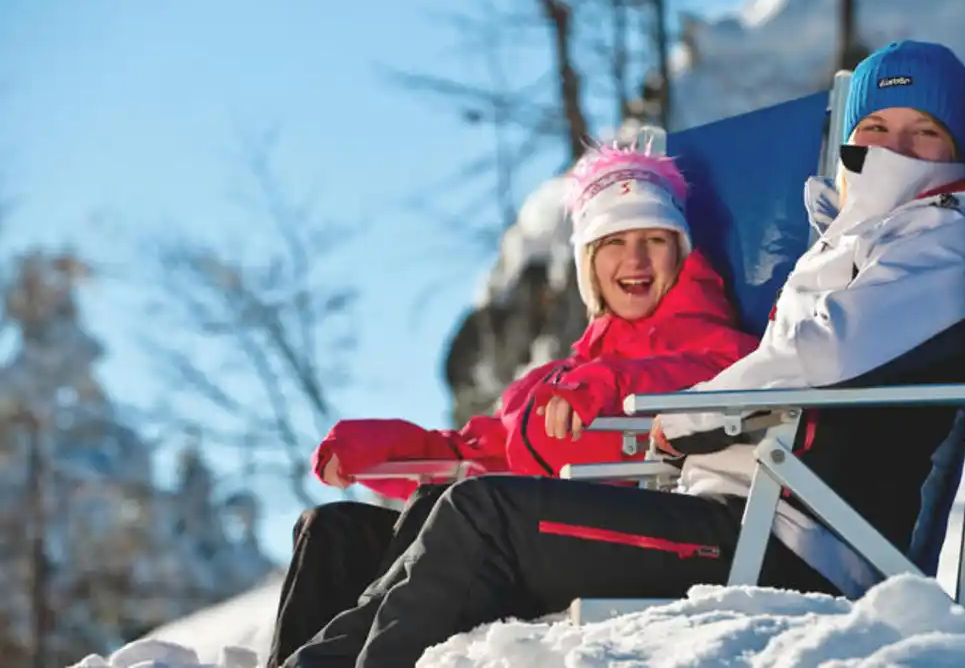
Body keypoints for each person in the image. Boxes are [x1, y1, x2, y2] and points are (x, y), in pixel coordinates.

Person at [282, 39, 965, 668]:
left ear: (961, 149)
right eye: (876, 128)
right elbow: (485, 444)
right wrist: (392, 448)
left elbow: (817, 355)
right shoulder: (856, 242)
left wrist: (682, 417)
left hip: (783, 540)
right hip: (737, 513)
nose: (895, 150)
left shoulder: (933, 243)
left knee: (478, 516)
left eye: (923, 132)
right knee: (398, 523)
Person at [265, 141, 761, 667]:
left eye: (655, 239)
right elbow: (479, 451)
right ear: (589, 263)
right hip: (534, 533)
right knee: (335, 531)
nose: (635, 259)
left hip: (657, 530)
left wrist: (607, 383)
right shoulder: (558, 378)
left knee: (468, 509)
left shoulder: (718, 344)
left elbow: (712, 375)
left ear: (680, 252)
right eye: (614, 241)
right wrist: (378, 449)